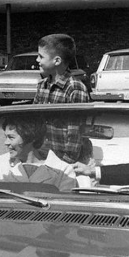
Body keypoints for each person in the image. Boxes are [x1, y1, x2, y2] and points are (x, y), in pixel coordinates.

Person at [33, 33, 90, 164]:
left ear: (57, 61)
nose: (37, 60)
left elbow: (76, 131)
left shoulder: (74, 88)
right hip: (43, 156)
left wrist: (66, 162)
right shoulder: (42, 86)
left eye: (41, 56)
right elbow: (34, 121)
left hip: (66, 161)